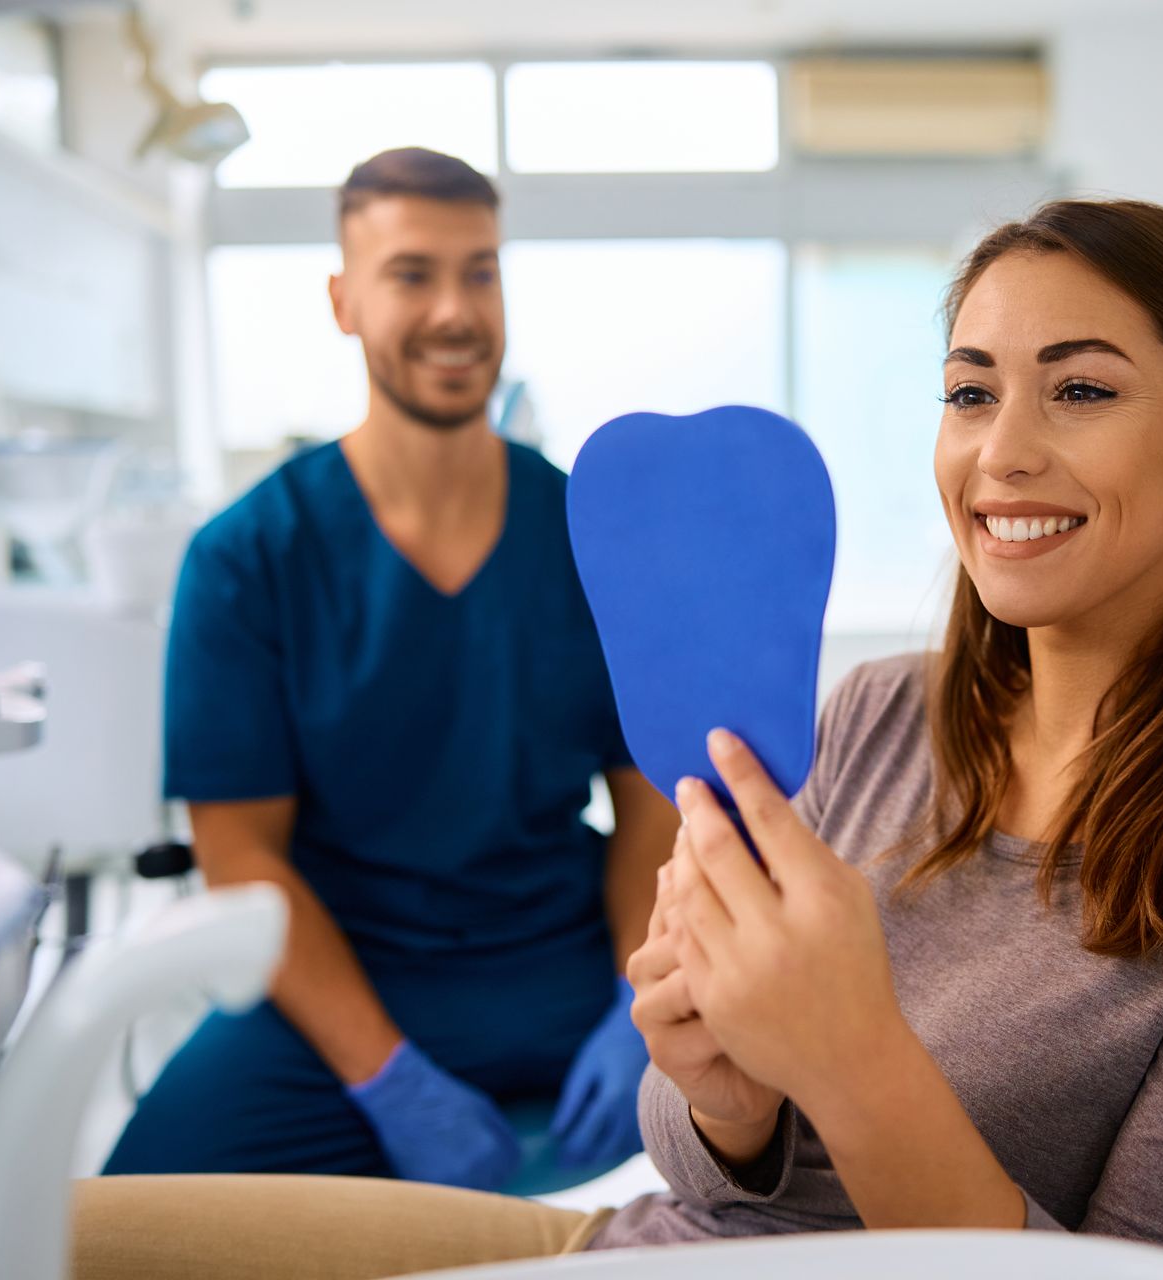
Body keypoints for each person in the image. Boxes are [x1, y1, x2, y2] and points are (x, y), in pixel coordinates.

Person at [0, 198, 1163, 1280]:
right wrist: (721, 1087)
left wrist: (852, 1056)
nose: (1002, 452)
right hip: (637, 1243)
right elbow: (699, 1170)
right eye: (969, 393)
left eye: (1080, 389)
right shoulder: (884, 719)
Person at [97, 149, 680, 1187]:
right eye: (413, 273)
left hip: (562, 965)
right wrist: (386, 1074)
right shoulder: (248, 558)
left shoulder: (594, 534)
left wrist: (641, 1000)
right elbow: (240, 855)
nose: (456, 311)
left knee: (811, 1149)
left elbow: (647, 801)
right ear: (344, 300)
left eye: (481, 271)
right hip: (338, 982)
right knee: (133, 1214)